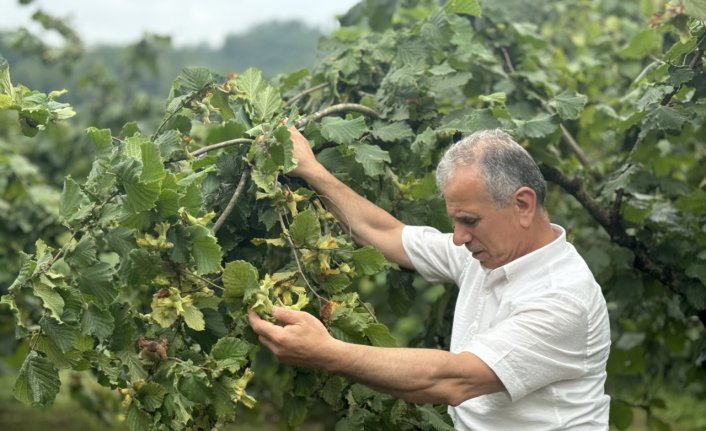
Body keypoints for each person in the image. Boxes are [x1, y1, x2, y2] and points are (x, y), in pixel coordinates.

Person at [249, 127, 611, 430]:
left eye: (469, 220)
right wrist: (312, 170)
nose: (457, 237)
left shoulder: (563, 298)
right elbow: (384, 232)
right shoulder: (485, 252)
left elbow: (453, 380)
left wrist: (328, 353)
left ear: (523, 205)